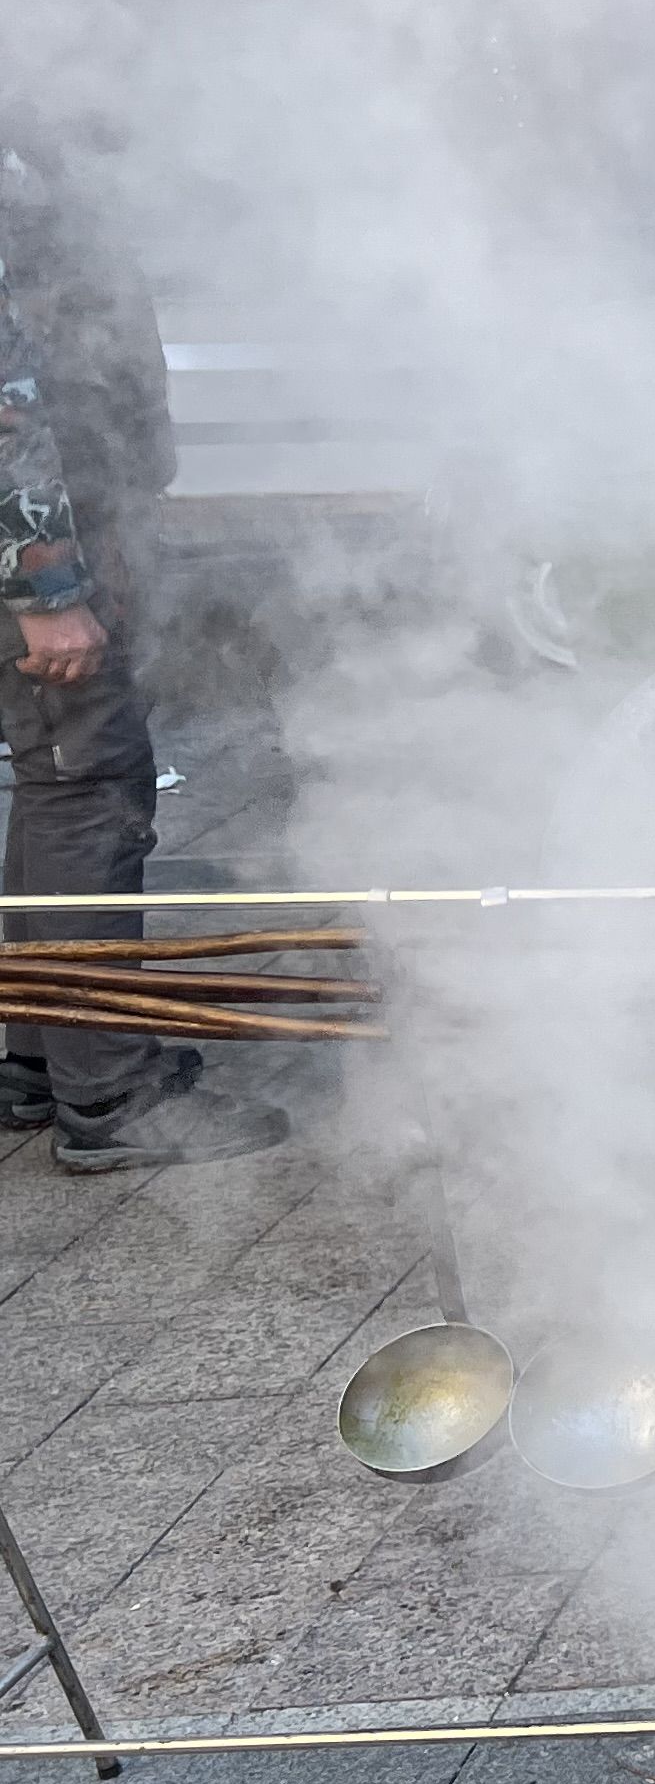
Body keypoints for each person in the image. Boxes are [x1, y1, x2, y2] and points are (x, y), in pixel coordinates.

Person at [0, 131, 285, 1172]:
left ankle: (41, 1053)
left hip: (77, 522)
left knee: (57, 780)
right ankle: (112, 1094)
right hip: (48, 548)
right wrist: (45, 586)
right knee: (89, 784)